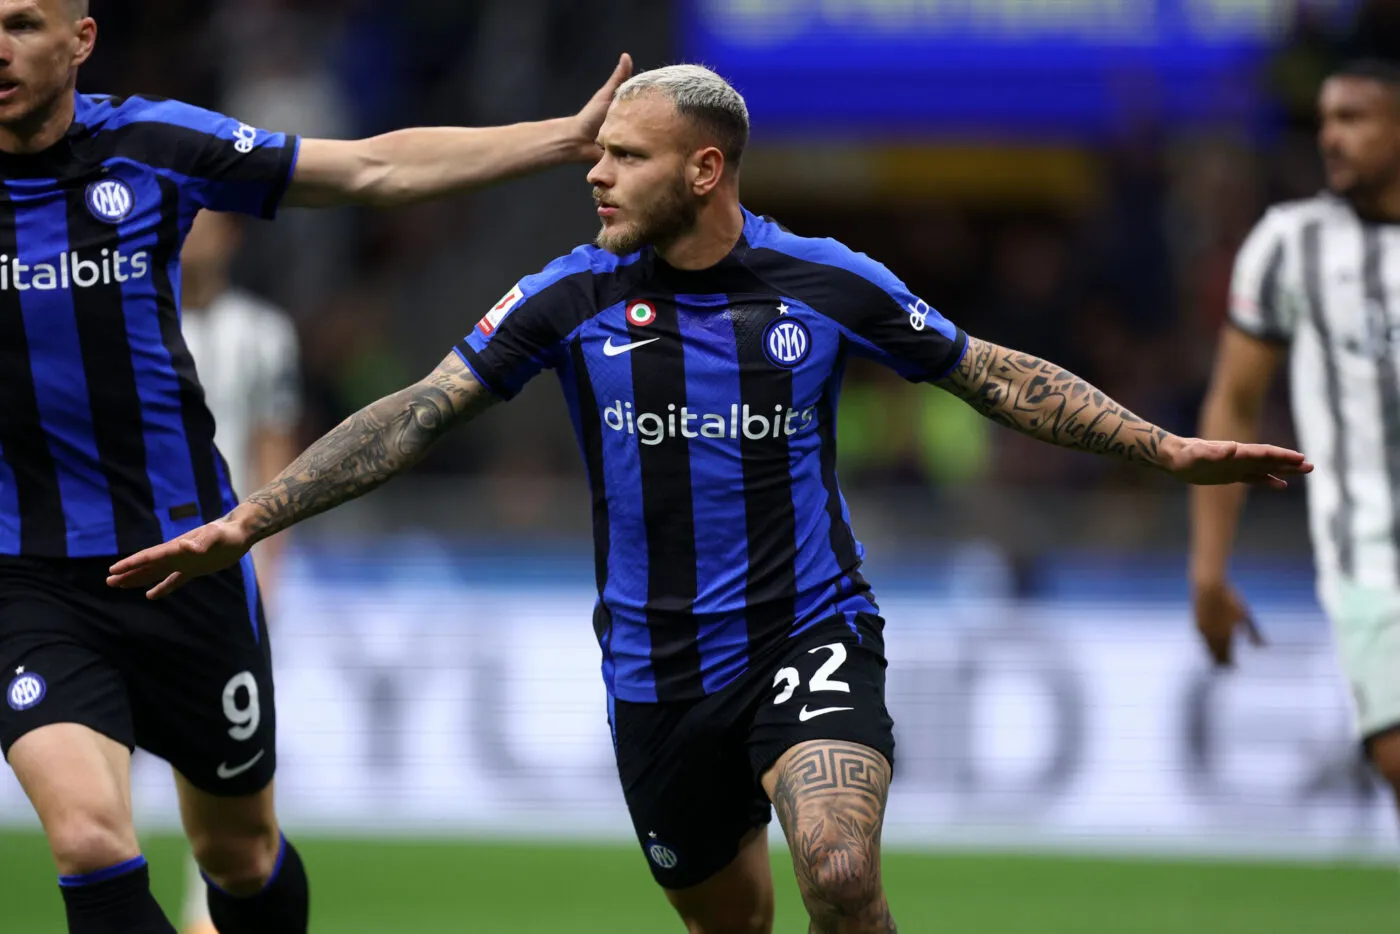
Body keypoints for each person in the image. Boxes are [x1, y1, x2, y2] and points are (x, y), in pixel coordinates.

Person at [110, 65, 1310, 934]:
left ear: (704, 168)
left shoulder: (824, 280)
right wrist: (251, 517)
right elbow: (418, 411)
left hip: (807, 633)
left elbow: (987, 371)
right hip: (655, 674)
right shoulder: (569, 293)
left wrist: (1162, 450)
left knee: (838, 876)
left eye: (622, 156)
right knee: (729, 921)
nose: (594, 171)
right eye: (597, 154)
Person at [0, 2, 632, 932]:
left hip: (191, 562)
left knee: (239, 856)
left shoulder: (151, 145)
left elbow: (369, 167)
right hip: (31, 577)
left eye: (20, 23)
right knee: (91, 840)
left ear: (81, 41)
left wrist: (557, 140)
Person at [1192, 59, 1400, 817]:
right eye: (1326, 120)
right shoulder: (1290, 243)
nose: (1333, 137)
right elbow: (1233, 403)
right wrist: (1209, 572)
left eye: (1356, 118)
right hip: (1369, 555)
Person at [176, 209, 302, 934]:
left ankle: (206, 911)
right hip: (123, 559)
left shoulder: (263, 333)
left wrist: (270, 566)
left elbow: (273, 450)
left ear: (232, 236)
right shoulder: (125, 315)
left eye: (208, 222)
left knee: (222, 752)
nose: (193, 235)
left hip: (226, 573)